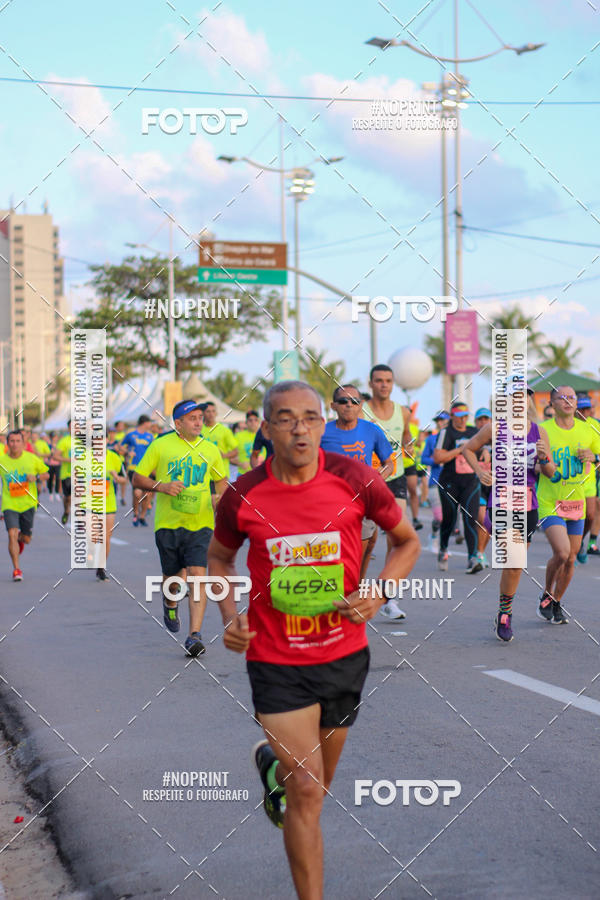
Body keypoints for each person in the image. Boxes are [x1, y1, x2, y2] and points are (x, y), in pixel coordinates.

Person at [207, 380, 420, 900]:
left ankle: (272, 766)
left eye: (311, 417)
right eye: (285, 417)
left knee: (315, 786)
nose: (300, 427)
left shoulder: (354, 477)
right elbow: (218, 559)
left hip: (343, 654)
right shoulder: (244, 494)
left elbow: (406, 541)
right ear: (266, 426)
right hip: (275, 658)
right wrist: (229, 615)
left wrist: (379, 589)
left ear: (323, 425)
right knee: (306, 790)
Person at [133, 399, 227, 657]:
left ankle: (194, 635)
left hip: (201, 524)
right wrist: (162, 487)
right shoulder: (161, 445)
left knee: (198, 574)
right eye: (193, 418)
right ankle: (169, 601)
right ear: (178, 424)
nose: (199, 422)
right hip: (168, 524)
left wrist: (220, 500)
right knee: (173, 580)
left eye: (200, 417)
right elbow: (137, 478)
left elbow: (222, 483)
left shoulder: (210, 450)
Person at [461, 389, 554, 641]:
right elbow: (468, 449)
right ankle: (504, 615)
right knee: (512, 558)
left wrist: (544, 458)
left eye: (524, 396)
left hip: (528, 503)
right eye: (514, 396)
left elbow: (550, 471)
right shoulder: (495, 428)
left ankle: (505, 609)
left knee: (516, 565)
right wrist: (480, 472)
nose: (519, 400)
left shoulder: (538, 431)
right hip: (501, 500)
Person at [320, 384, 401, 616]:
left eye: (354, 401)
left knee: (359, 552)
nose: (349, 405)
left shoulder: (371, 431)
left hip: (363, 503)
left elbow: (389, 463)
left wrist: (377, 481)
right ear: (333, 406)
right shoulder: (322, 433)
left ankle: (351, 596)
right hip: (330, 505)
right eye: (343, 401)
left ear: (361, 405)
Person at [536, 386, 600, 624]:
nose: (567, 400)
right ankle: (546, 591)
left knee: (571, 558)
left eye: (571, 397)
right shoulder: (544, 430)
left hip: (576, 501)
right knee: (562, 552)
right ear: (552, 404)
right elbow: (543, 467)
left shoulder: (589, 430)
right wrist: (544, 462)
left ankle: (556, 601)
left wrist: (595, 458)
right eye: (561, 397)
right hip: (550, 501)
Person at [362, 365, 413, 539]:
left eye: (388, 381)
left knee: (396, 533)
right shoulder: (361, 412)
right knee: (369, 539)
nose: (384, 385)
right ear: (371, 384)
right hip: (370, 479)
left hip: (396, 477)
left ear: (393, 384)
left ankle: (391, 567)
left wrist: (409, 445)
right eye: (379, 381)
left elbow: (406, 435)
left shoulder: (403, 412)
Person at [433, 401, 481, 573]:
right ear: (452, 416)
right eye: (459, 417)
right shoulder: (446, 432)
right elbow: (438, 458)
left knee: (471, 519)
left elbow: (483, 450)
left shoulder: (474, 432)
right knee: (450, 520)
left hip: (470, 482)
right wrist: (461, 450)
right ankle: (443, 549)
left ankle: (473, 558)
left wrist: (486, 453)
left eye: (465, 417)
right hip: (449, 483)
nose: (462, 420)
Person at [1, 430, 49, 581]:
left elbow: (46, 474)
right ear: (7, 444)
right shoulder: (2, 460)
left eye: (17, 441)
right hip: (9, 503)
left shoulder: (32, 459)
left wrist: (36, 477)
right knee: (11, 534)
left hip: (28, 503)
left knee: (26, 539)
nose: (14, 444)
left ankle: (22, 539)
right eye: (12, 441)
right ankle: (17, 569)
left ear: (23, 443)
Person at [574, 396, 600, 563]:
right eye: (581, 409)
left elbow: (597, 451)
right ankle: (574, 547)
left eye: (586, 409)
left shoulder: (594, 425)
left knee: (590, 515)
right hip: (571, 478)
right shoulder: (569, 424)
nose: (584, 413)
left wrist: (593, 456)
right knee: (575, 516)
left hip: (589, 479)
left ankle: (579, 543)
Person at [421, 412, 449, 551]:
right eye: (438, 420)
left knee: (450, 517)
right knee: (439, 517)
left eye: (443, 420)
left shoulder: (453, 438)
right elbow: (423, 459)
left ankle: (444, 545)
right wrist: (436, 461)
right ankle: (434, 536)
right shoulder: (431, 439)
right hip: (435, 481)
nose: (441, 423)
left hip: (451, 482)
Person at [120, 415, 155, 526]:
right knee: (137, 493)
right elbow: (120, 446)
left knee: (148, 494)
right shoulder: (131, 435)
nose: (150, 425)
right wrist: (127, 452)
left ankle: (142, 516)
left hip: (147, 468)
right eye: (149, 423)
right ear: (144, 423)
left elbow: (154, 451)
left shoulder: (150, 436)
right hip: (134, 468)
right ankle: (135, 513)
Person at [201, 401, 238, 482]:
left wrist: (224, 455)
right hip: (203, 475)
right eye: (208, 411)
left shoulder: (224, 430)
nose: (211, 414)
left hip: (221, 475)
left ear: (216, 413)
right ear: (203, 413)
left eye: (213, 411)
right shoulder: (199, 430)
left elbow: (236, 451)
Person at [55, 420, 72, 525]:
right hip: (67, 474)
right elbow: (56, 456)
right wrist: (69, 460)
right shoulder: (64, 441)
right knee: (68, 498)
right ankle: (66, 511)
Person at [235, 410, 261, 476]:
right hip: (243, 474)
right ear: (246, 422)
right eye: (250, 420)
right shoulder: (238, 436)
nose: (253, 422)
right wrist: (240, 464)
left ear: (259, 422)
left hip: (260, 474)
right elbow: (229, 456)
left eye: (255, 420)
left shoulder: (264, 435)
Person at [46, 432, 62, 502]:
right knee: (50, 478)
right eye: (53, 437)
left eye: (56, 437)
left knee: (58, 478)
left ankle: (57, 493)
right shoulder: (48, 446)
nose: (55, 439)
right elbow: (46, 454)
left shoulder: (59, 446)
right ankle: (50, 493)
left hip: (58, 464)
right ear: (51, 438)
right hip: (50, 464)